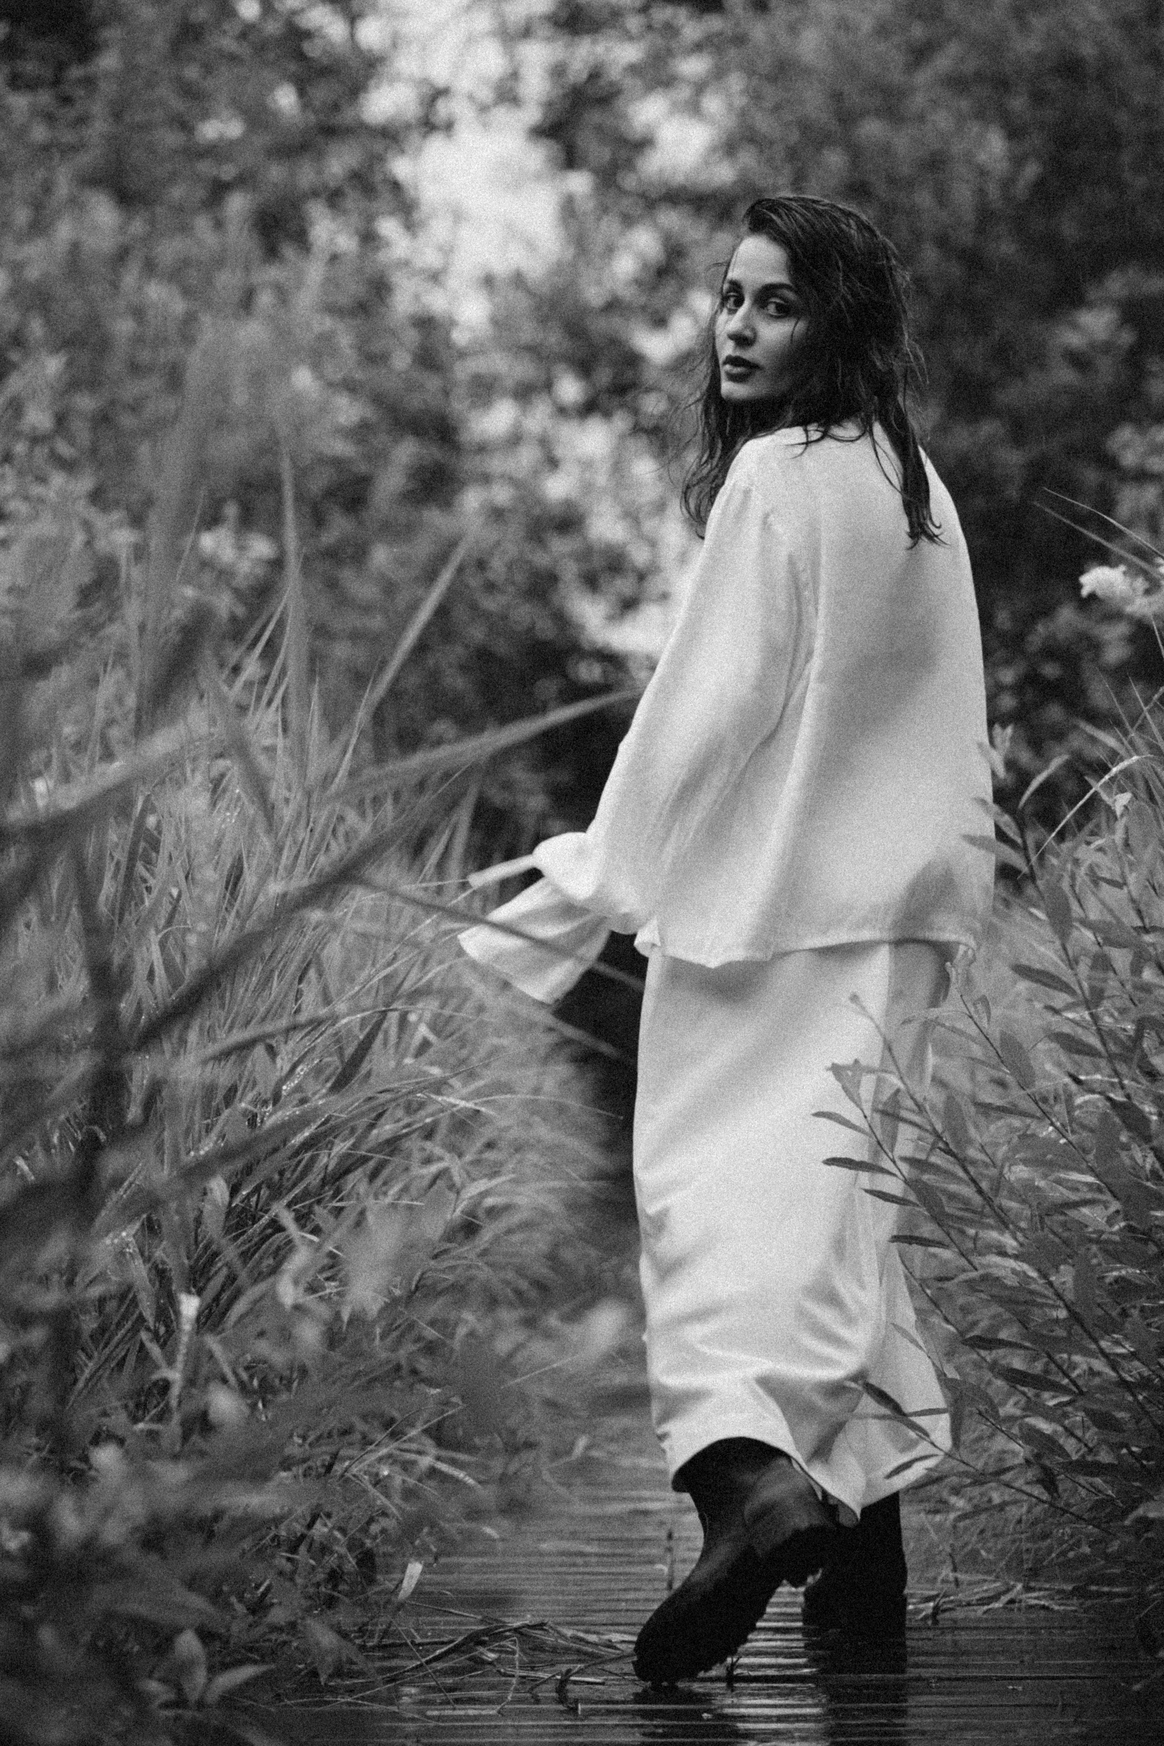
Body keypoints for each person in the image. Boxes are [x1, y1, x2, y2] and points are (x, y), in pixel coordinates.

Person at [458, 194, 993, 1684]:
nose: (739, 329)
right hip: (901, 922)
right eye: (733, 297)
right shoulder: (914, 487)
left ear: (840, 322)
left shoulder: (778, 477)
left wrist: (579, 881)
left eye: (778, 303)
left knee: (708, 1217)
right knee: (838, 1242)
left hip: (765, 926)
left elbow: (702, 715)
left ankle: (753, 1494)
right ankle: (859, 1590)